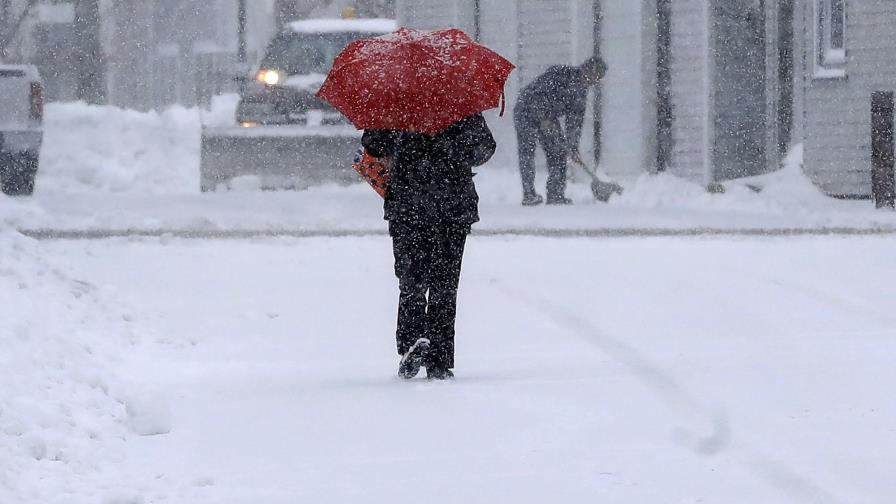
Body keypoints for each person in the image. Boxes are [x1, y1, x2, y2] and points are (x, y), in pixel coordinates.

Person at [362, 114, 496, 380]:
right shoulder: (459, 104)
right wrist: (453, 148)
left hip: (407, 204)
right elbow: (485, 148)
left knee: (411, 281)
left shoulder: (396, 104)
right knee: (445, 285)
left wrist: (402, 137)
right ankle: (439, 358)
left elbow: (373, 145)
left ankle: (412, 341)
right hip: (453, 205)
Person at [514, 56, 608, 206]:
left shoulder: (580, 94)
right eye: (595, 76)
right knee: (527, 152)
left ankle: (555, 194)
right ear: (587, 69)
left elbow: (575, 123)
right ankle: (529, 195)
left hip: (549, 118)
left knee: (558, 152)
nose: (594, 81)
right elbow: (538, 92)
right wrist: (542, 116)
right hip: (526, 110)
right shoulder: (560, 73)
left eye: (598, 79)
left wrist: (573, 146)